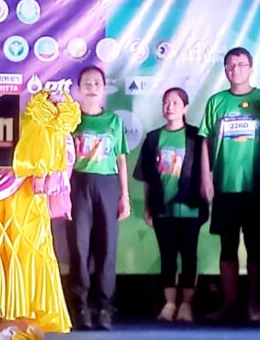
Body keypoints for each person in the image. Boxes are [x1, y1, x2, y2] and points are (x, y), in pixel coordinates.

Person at [134, 88, 208, 322]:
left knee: (189, 256)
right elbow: (147, 178)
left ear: (186, 108)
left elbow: (206, 172)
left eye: (176, 103)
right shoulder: (153, 138)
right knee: (167, 255)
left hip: (191, 207)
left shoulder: (196, 137)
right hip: (161, 209)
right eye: (166, 102)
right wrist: (148, 207)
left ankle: (186, 305)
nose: (170, 107)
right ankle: (169, 304)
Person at [199, 47, 260, 322]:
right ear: (225, 70)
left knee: (257, 248)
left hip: (255, 187)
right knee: (227, 246)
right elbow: (205, 141)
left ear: (251, 68)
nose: (236, 69)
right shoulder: (216, 101)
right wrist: (205, 177)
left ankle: (254, 306)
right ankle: (229, 304)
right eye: (231, 65)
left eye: (241, 64)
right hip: (224, 186)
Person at [68, 65, 130, 330]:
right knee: (79, 248)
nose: (92, 87)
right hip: (78, 184)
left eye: (97, 83)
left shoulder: (113, 121)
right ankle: (80, 306)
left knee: (106, 249)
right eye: (87, 83)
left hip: (107, 185)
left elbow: (121, 159)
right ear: (78, 89)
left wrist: (124, 195)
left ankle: (104, 307)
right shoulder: (70, 120)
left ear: (104, 88)